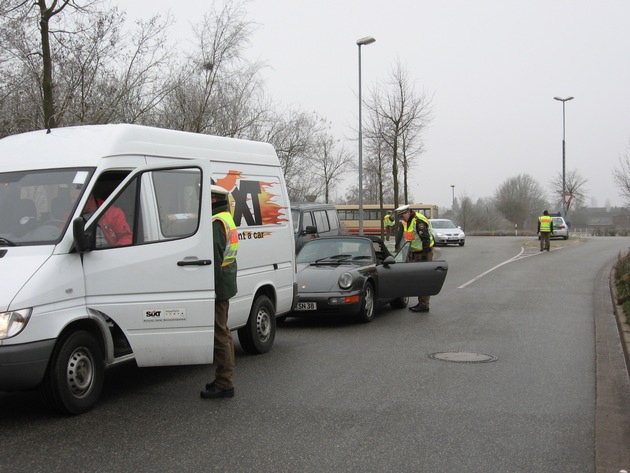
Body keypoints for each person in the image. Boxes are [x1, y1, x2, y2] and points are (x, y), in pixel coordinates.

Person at [201, 185, 239, 399]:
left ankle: (224, 382)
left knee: (220, 333)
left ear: (212, 201)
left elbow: (214, 259)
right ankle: (224, 379)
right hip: (226, 282)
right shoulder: (227, 218)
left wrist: (208, 289)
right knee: (223, 330)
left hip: (219, 284)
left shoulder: (217, 223)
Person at [396, 204, 435, 313]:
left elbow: (426, 239)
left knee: (424, 279)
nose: (401, 219)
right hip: (414, 253)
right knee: (418, 279)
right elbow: (409, 238)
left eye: (402, 216)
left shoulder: (418, 221)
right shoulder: (408, 221)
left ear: (408, 212)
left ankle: (424, 305)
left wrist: (424, 256)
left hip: (423, 253)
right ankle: (421, 302)